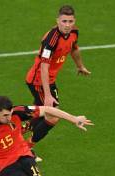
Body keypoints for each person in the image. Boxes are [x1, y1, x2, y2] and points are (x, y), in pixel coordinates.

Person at [24, 5, 90, 158]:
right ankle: (25, 147)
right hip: (39, 81)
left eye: (70, 21)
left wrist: (80, 66)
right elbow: (44, 66)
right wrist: (47, 94)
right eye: (64, 21)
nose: (67, 25)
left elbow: (74, 48)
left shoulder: (74, 32)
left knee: (41, 112)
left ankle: (21, 129)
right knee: (53, 116)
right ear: (57, 21)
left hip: (48, 80)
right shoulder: (51, 40)